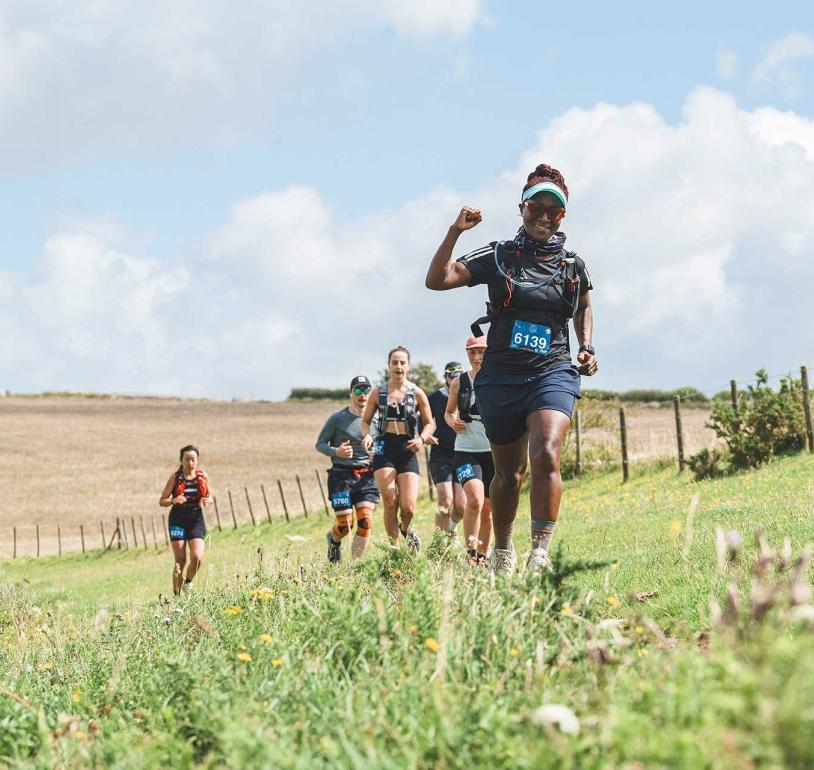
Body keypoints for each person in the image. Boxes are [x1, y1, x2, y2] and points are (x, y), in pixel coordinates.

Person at [425, 163, 598, 576]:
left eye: (552, 211)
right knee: (508, 474)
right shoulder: (498, 255)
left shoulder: (572, 265)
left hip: (552, 370)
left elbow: (585, 305)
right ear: (521, 208)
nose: (542, 216)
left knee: (547, 452)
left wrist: (587, 346)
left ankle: (540, 552)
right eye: (535, 207)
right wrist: (455, 231)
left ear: (562, 217)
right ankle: (503, 548)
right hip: (501, 376)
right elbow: (437, 280)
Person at [360, 346, 435, 552]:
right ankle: (395, 549)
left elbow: (430, 423)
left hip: (407, 447)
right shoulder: (378, 392)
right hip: (384, 446)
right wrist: (366, 435)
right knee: (390, 501)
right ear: (388, 365)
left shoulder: (417, 393)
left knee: (408, 507)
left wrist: (421, 439)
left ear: (408, 366)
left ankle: (405, 529)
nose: (398, 366)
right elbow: (365, 422)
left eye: (402, 362)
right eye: (395, 362)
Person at [315, 375, 380, 564]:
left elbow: (384, 444)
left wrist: (378, 456)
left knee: (366, 522)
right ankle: (333, 539)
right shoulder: (337, 418)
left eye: (366, 390)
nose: (362, 395)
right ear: (350, 393)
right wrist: (337, 451)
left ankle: (354, 567)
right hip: (341, 476)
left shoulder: (378, 419)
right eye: (358, 390)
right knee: (345, 525)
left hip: (367, 476)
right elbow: (319, 444)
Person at [445, 336, 492, 565]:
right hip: (465, 449)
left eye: (481, 352)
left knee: (489, 511)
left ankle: (483, 558)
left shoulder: (498, 379)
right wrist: (452, 421)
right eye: (472, 353)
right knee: (474, 499)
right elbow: (448, 412)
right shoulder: (458, 382)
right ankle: (470, 554)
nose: (477, 357)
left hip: (493, 451)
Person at [159, 445, 212, 594]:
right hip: (178, 520)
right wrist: (174, 500)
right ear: (181, 460)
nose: (190, 463)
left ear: (197, 460)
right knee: (180, 560)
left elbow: (209, 495)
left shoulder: (202, 476)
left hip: (196, 520)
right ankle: (176, 594)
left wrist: (208, 500)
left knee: (197, 557)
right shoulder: (175, 478)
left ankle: (188, 583)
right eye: (187, 459)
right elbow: (162, 501)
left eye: (193, 459)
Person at [426, 362, 466, 536]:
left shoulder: (469, 394)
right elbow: (424, 420)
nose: (455, 379)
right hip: (441, 454)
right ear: (445, 378)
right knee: (445, 499)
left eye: (459, 376)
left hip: (464, 453)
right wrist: (424, 434)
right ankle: (439, 544)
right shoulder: (435, 397)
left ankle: (451, 531)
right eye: (452, 376)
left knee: (461, 506)